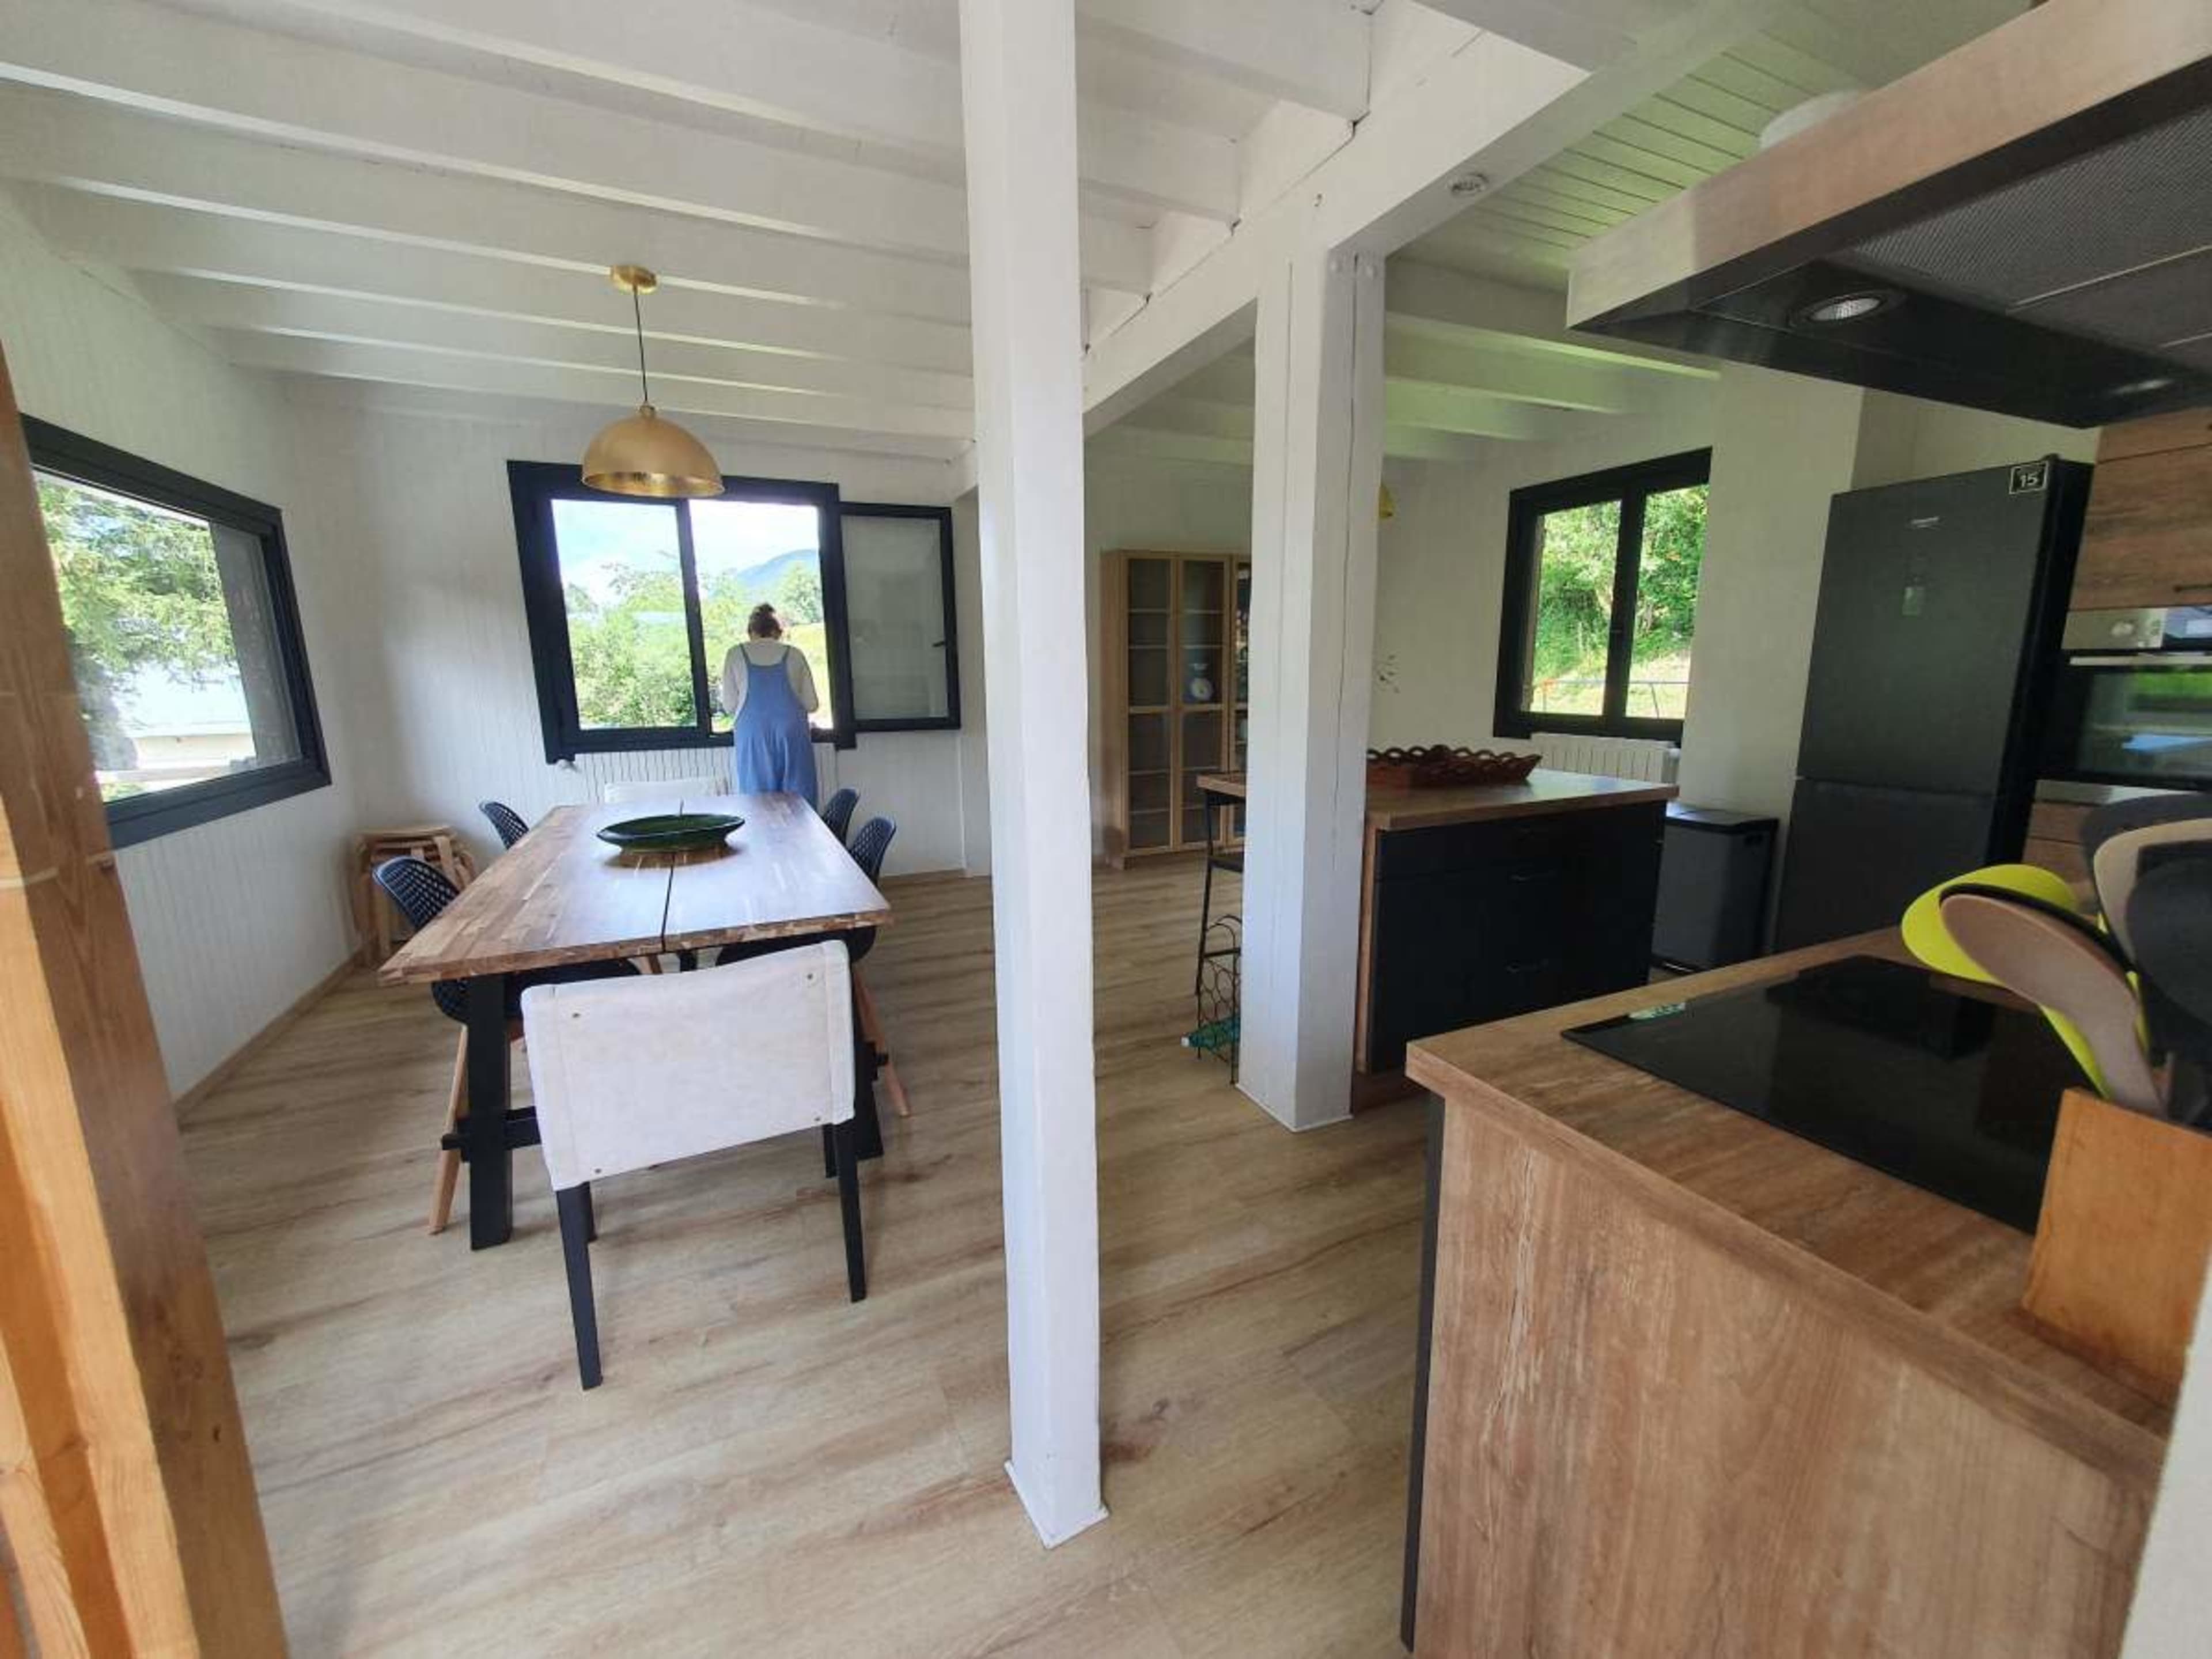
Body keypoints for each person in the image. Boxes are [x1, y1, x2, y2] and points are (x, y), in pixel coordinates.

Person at [719, 603, 821, 803]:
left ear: (751, 632)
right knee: (800, 806)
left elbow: (729, 706)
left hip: (753, 737)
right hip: (792, 736)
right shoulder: (795, 654)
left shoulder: (734, 654)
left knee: (758, 806)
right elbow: (812, 705)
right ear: (777, 631)